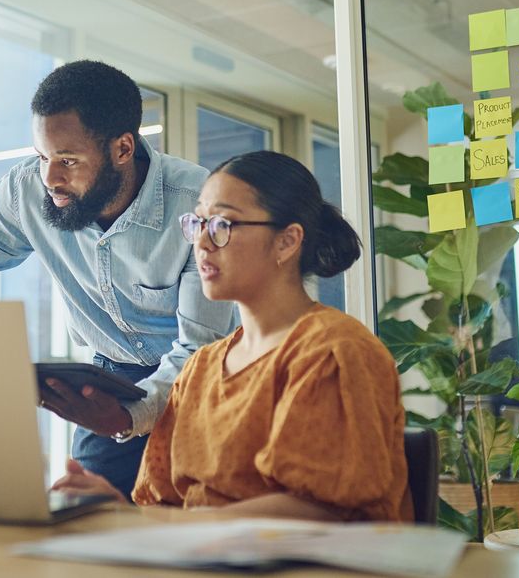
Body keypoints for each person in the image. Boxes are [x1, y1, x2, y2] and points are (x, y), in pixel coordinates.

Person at [0, 60, 236, 500]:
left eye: (68, 160)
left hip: (205, 380)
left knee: (191, 516)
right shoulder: (27, 189)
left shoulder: (196, 205)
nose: (50, 178)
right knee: (81, 514)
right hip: (107, 377)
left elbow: (200, 349)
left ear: (123, 148)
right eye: (43, 156)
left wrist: (128, 416)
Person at [53, 150, 411, 522]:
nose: (202, 243)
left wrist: (143, 522)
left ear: (287, 242)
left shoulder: (333, 352)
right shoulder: (200, 368)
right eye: (197, 223)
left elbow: (315, 512)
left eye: (223, 225)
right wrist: (113, 506)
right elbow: (162, 504)